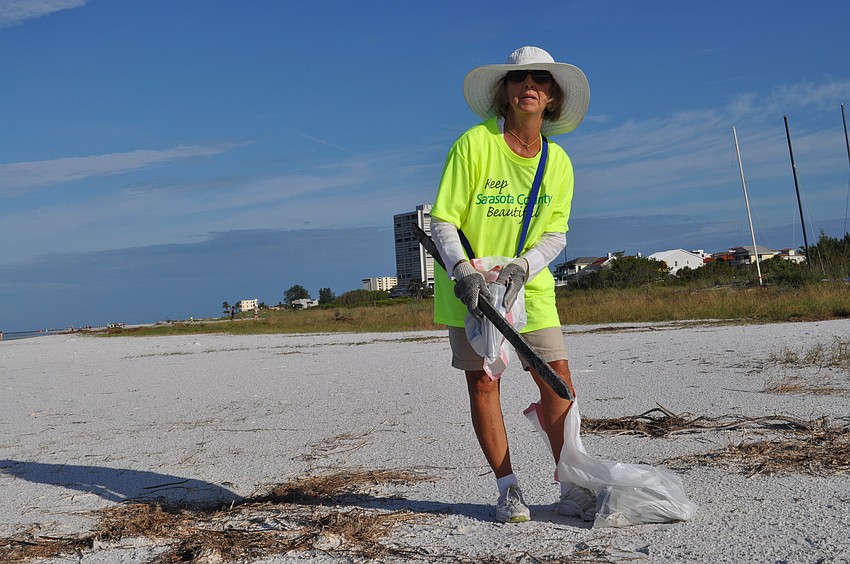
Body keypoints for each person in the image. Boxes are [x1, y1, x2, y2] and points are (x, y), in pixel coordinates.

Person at [429, 46, 593, 523]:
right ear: (504, 92)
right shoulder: (474, 145)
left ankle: (573, 485)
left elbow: (556, 233)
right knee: (483, 383)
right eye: (519, 79)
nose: (530, 86)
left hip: (530, 285)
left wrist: (525, 265)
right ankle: (508, 488)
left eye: (540, 80)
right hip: (471, 288)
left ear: (552, 97)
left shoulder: (558, 162)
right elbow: (443, 220)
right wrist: (462, 272)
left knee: (557, 382)